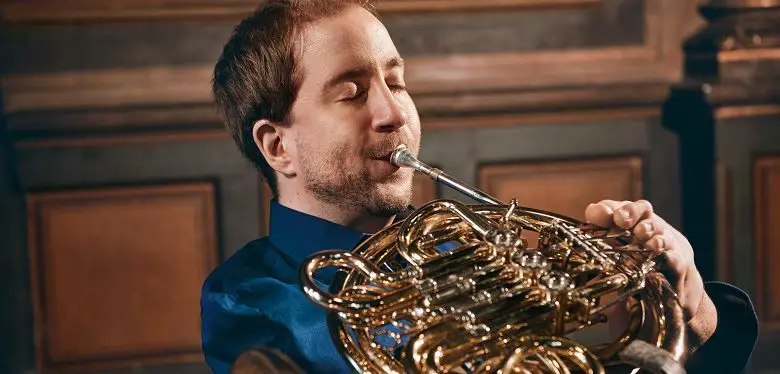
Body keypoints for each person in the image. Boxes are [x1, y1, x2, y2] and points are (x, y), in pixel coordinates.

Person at [200, 0, 758, 373]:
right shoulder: (248, 298)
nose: (394, 113)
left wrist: (688, 311)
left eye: (396, 82)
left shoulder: (465, 246)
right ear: (278, 147)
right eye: (350, 91)